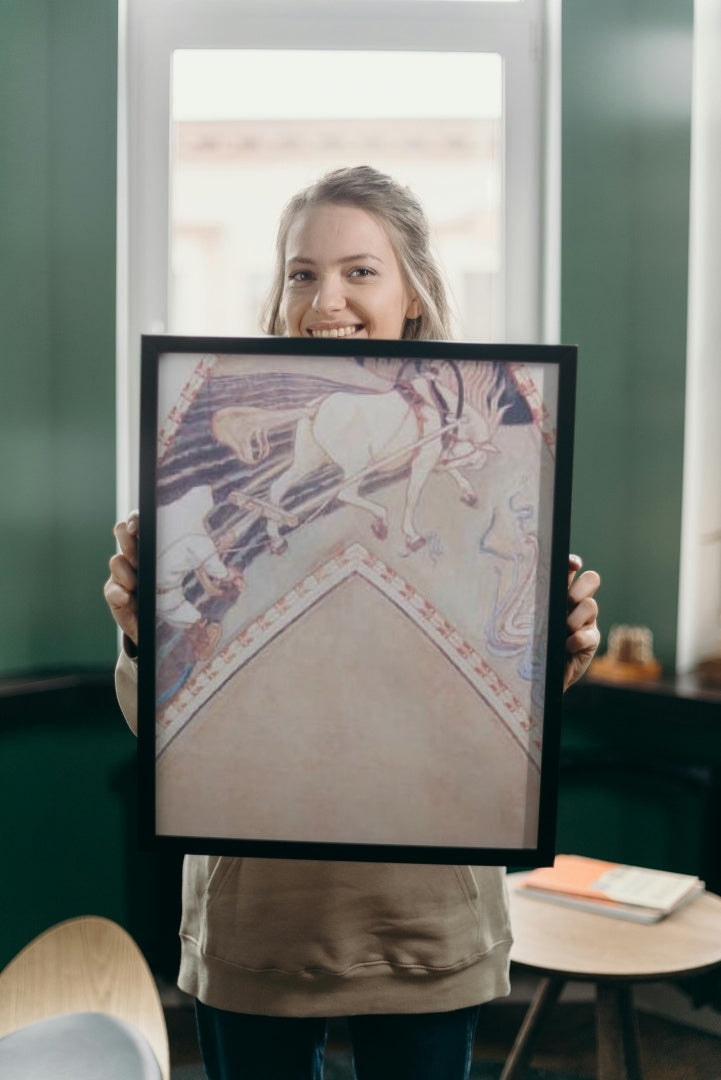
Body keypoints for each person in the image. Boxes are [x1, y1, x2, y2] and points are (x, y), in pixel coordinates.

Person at [105, 166, 601, 1080]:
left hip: (424, 920)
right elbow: (167, 724)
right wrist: (145, 634)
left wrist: (559, 648)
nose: (324, 297)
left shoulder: (502, 459)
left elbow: (501, 706)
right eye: (301, 272)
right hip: (257, 920)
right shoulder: (202, 467)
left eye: (359, 271)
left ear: (412, 291)